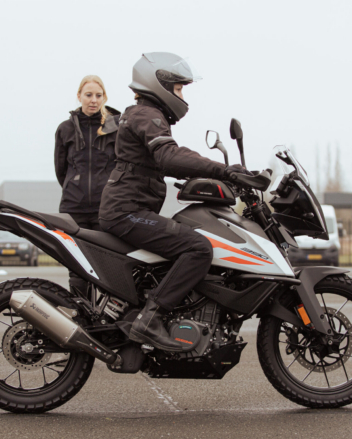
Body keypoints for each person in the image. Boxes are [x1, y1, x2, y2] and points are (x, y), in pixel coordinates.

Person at [99, 52, 249, 351]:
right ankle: (150, 319)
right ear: (160, 85)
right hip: (126, 212)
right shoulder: (147, 115)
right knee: (198, 248)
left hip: (127, 208)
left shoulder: (141, 114)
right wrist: (223, 171)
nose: (181, 96)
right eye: (178, 88)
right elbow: (169, 156)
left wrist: (207, 176)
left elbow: (163, 162)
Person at [55, 75, 120, 295]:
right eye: (88, 95)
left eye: (98, 95)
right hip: (74, 210)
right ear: (79, 96)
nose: (93, 100)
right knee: (78, 269)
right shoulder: (65, 129)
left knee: (107, 268)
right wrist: (75, 186)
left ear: (104, 97)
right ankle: (79, 311)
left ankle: (105, 313)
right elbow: (61, 170)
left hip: (105, 209)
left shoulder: (115, 128)